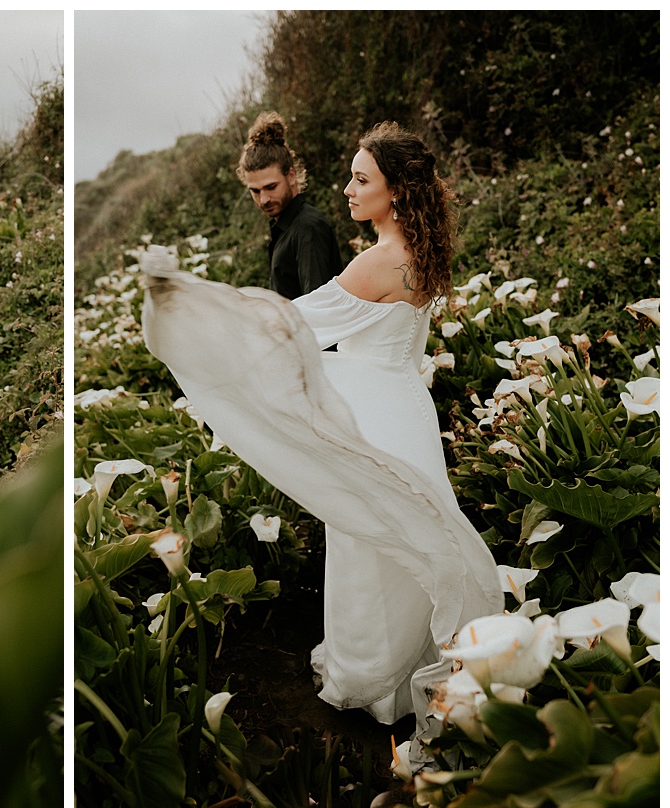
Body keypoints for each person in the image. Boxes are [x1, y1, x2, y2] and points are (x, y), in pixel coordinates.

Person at [142, 122, 500, 735]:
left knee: (367, 545)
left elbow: (287, 326)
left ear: (397, 193)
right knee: (407, 540)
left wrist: (186, 305)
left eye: (363, 180)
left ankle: (367, 680)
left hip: (370, 415)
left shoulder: (377, 262)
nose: (348, 190)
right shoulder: (425, 252)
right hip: (406, 409)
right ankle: (408, 666)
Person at [236, 111, 344, 300]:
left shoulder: (307, 227)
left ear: (291, 175)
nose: (264, 199)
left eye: (271, 187)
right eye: (255, 191)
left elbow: (317, 305)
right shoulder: (285, 227)